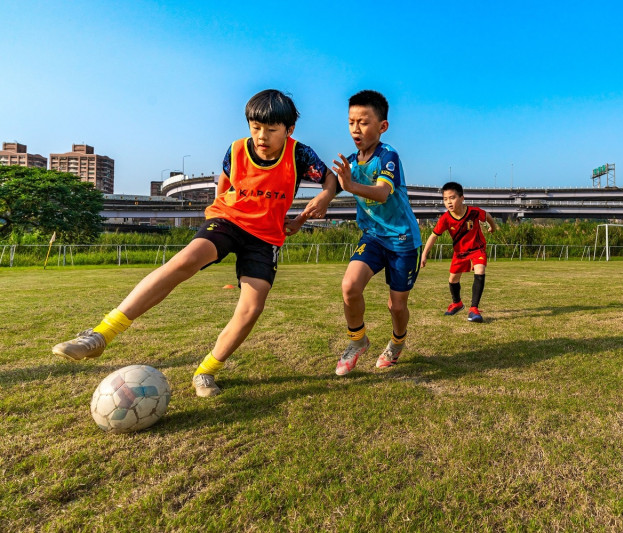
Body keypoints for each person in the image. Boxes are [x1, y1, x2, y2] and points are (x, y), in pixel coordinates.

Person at [52, 89, 338, 397]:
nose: (261, 136)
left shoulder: (300, 155)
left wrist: (322, 197)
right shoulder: (236, 150)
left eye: (271, 130)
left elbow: (330, 180)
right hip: (229, 221)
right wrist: (216, 211)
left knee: (252, 307)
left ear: (289, 130)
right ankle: (100, 335)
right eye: (255, 127)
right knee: (184, 261)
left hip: (265, 236)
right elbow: (226, 183)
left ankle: (207, 371)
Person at [332, 90, 422, 375]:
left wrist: (350, 186)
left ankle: (397, 342)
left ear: (382, 126)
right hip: (372, 237)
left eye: (363, 122)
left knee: (396, 307)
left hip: (402, 241)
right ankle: (357, 341)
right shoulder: (350, 162)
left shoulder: (388, 156)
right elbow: (329, 192)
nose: (355, 129)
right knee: (349, 287)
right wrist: (304, 215)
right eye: (351, 122)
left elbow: (382, 193)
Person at [420, 181, 498, 323]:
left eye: (452, 197)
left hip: (477, 249)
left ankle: (474, 309)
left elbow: (487, 215)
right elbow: (433, 236)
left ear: (462, 198)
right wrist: (424, 255)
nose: (449, 202)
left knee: (480, 269)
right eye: (445, 199)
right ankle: (457, 303)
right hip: (460, 253)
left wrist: (492, 227)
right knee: (453, 279)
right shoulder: (445, 219)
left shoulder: (473, 212)